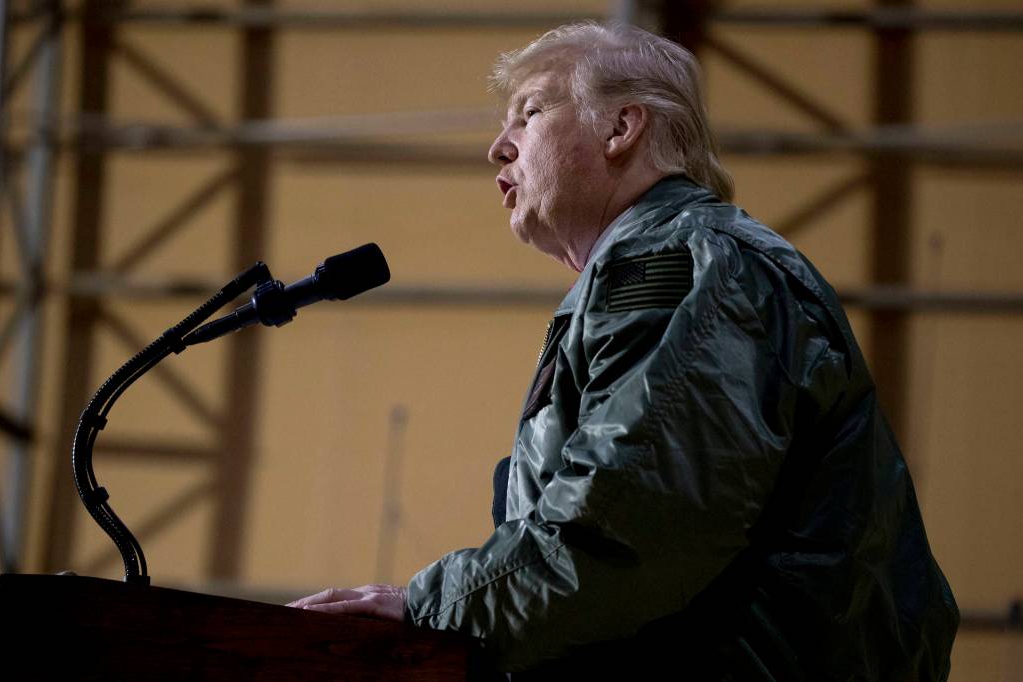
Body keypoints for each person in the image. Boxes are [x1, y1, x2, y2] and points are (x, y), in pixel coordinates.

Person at [288, 21, 959, 679]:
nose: (499, 146)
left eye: (531, 112)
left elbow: (626, 529)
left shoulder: (686, 265)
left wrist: (433, 607)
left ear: (620, 128)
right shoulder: (675, 267)